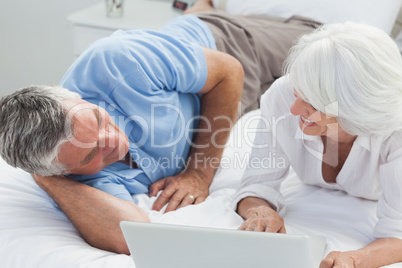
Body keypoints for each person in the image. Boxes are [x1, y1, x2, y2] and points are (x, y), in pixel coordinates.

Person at [0, 0, 319, 254]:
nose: (114, 140)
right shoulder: (72, 178)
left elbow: (229, 73)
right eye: (91, 154)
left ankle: (203, 9)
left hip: (225, 49)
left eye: (97, 120)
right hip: (226, 107)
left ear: (71, 94)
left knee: (318, 44)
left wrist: (199, 173)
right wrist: (48, 182)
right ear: (61, 171)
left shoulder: (117, 59)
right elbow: (128, 236)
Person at [232, 21, 402, 267]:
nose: (294, 109)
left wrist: (355, 259)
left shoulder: (395, 133)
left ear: (357, 110)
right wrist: (260, 210)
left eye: (312, 102)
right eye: (297, 91)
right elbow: (256, 186)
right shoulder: (282, 94)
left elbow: (398, 232)